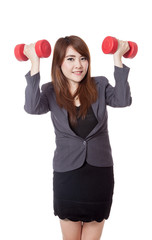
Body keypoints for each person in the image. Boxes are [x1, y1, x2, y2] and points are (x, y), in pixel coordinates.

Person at [23, 35, 132, 240]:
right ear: (59, 62)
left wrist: (117, 57)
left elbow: (123, 100)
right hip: (68, 176)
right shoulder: (50, 91)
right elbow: (31, 107)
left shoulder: (99, 85)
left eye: (83, 58)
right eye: (71, 59)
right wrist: (35, 63)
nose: (78, 65)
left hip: (99, 174)